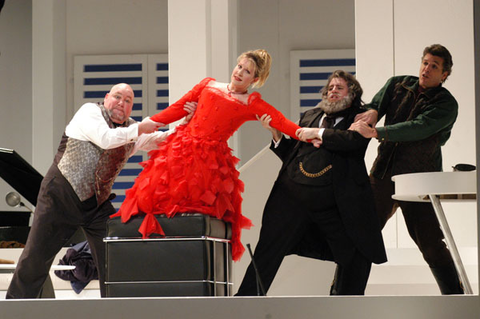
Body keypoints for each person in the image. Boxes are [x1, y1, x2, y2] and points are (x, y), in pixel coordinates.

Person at [6, 83, 196, 298]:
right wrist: (141, 128)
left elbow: (160, 141)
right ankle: (15, 308)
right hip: (61, 194)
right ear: (107, 98)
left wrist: (186, 124)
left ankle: (114, 310)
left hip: (96, 205)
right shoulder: (90, 112)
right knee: (36, 259)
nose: (121, 103)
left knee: (114, 258)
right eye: (117, 97)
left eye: (127, 101)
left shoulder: (130, 129)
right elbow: (105, 139)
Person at [112, 49, 304, 262]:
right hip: (179, 151)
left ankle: (186, 262)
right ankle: (150, 258)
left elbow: (282, 121)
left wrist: (309, 134)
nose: (239, 72)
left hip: (210, 164)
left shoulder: (251, 103)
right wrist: (144, 126)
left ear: (255, 79)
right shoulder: (208, 85)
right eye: (239, 66)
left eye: (247, 71)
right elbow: (176, 109)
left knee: (198, 215)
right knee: (155, 201)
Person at [236, 70, 387, 296]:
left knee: (355, 252)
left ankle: (346, 307)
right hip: (293, 197)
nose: (332, 91)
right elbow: (293, 156)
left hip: (335, 202)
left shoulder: (359, 117)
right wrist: (277, 136)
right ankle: (245, 303)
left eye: (339, 87)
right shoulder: (309, 115)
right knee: (268, 248)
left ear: (352, 94)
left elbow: (353, 142)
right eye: (330, 88)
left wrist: (319, 134)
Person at [350, 44, 462, 294]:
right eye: (425, 62)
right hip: (383, 175)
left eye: (434, 66)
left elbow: (418, 127)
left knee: (431, 243)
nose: (427, 69)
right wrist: (372, 112)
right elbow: (376, 104)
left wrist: (377, 131)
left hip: (420, 181)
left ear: (444, 75)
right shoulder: (398, 84)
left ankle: (455, 298)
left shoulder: (446, 104)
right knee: (361, 235)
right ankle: (343, 294)